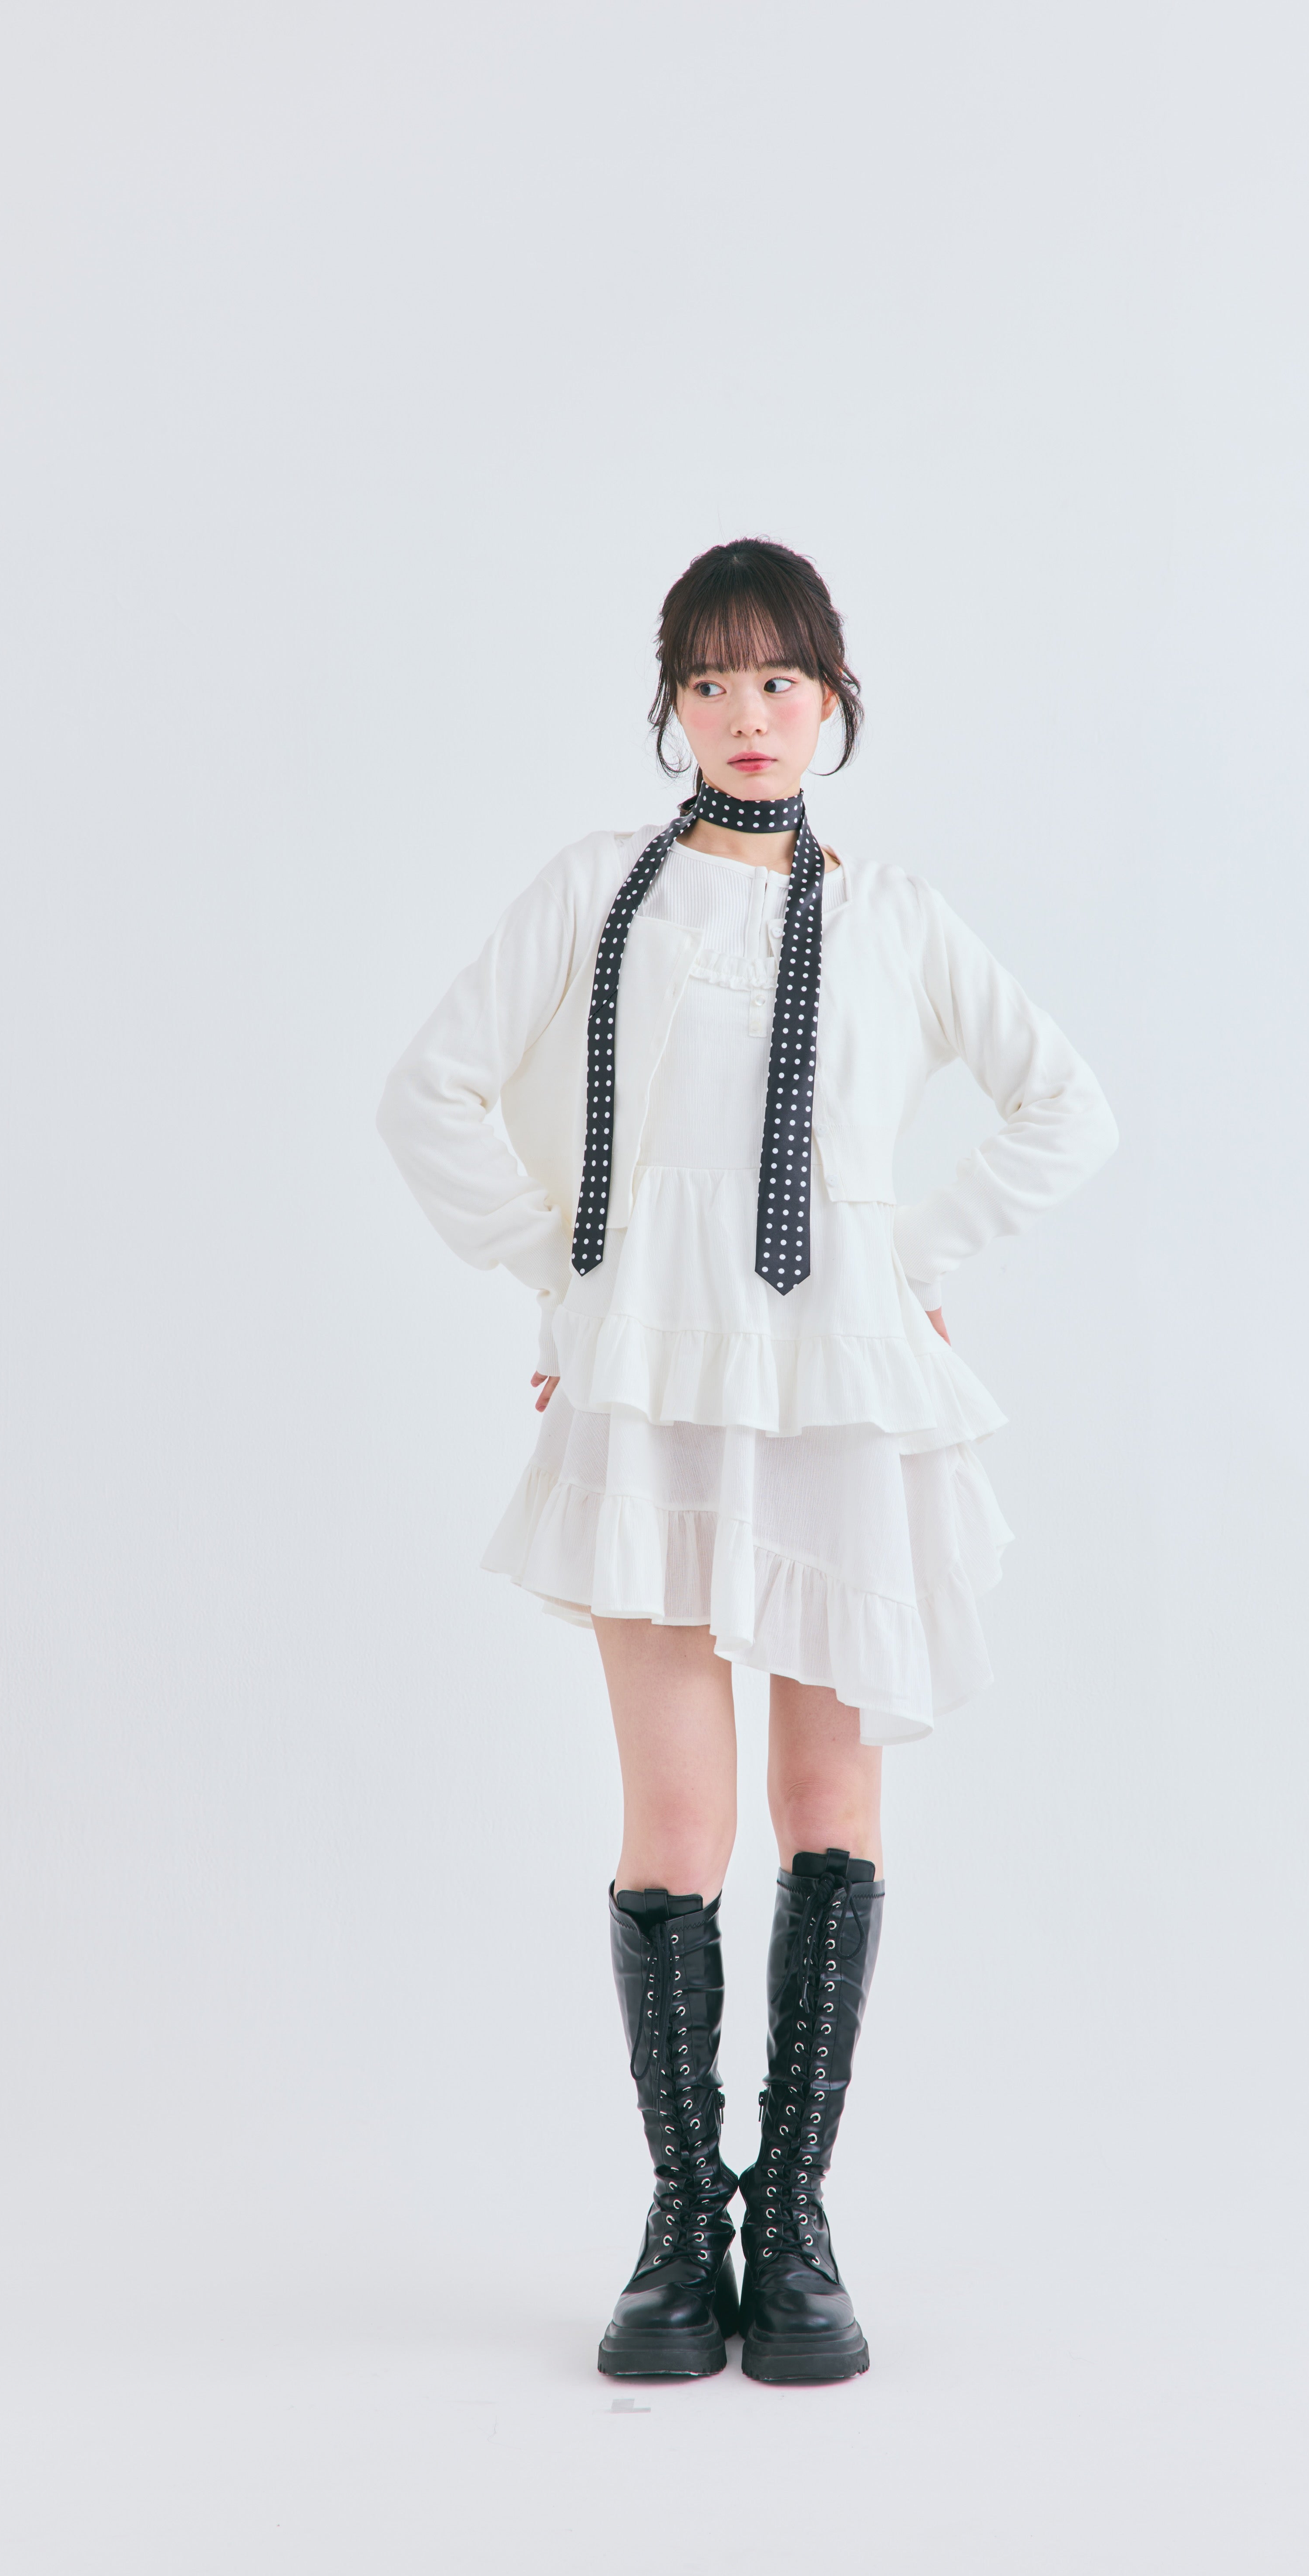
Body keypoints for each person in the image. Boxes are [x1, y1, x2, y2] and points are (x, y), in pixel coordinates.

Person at [377, 538, 1117, 2384]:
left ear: (834, 697)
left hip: (840, 1395)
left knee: (828, 1805)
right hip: (653, 1395)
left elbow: (1065, 1106)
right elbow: (429, 1093)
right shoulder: (591, 891)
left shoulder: (898, 921)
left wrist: (911, 1262)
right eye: (709, 683)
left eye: (779, 678)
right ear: (670, 710)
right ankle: (675, 2227)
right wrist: (571, 1278)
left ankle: (791, 2224)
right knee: (676, 1822)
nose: (747, 714)